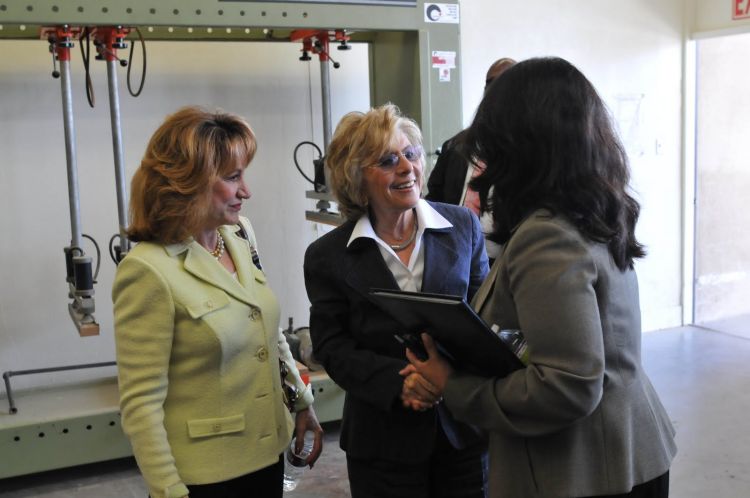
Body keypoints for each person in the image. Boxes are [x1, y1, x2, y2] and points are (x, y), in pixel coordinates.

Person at [407, 57, 677, 498]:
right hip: (627, 449)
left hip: (580, 469)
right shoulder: (594, 211)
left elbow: (566, 385)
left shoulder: (548, 235)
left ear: (521, 143)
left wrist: (451, 384)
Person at [112, 106, 323, 498]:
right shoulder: (147, 271)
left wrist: (301, 402)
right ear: (187, 181)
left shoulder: (239, 234)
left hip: (267, 452)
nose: (246, 191)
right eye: (232, 177)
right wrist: (167, 489)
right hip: (206, 477)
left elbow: (267, 330)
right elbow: (140, 403)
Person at [303, 103, 489, 498]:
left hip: (463, 432)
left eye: (411, 153)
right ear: (356, 177)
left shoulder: (462, 226)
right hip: (382, 439)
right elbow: (332, 347)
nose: (407, 167)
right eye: (388, 160)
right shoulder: (328, 256)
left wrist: (447, 377)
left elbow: (485, 318)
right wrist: (401, 384)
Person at [426, 57, 516, 261]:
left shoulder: (529, 152)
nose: (497, 92)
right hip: (455, 255)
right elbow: (435, 200)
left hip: (503, 261)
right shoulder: (456, 146)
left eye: (506, 83)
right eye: (491, 83)